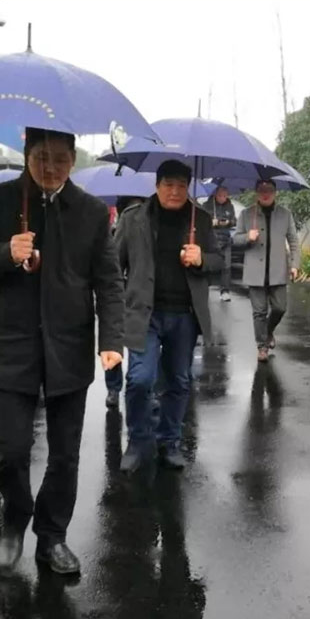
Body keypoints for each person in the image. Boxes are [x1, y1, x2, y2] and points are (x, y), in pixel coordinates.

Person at [0, 127, 124, 575]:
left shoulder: (91, 212)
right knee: (10, 448)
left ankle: (52, 537)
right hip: (10, 345)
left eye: (60, 158)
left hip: (69, 345)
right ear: (26, 154)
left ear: (73, 158)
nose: (50, 167)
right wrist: (5, 253)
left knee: (65, 454)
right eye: (41, 157)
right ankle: (15, 517)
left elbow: (108, 281)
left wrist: (111, 339)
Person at [116, 160, 222, 473]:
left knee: (178, 380)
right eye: (168, 185)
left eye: (181, 186)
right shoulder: (133, 218)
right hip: (144, 314)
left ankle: (169, 441)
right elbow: (113, 265)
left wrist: (202, 259)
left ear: (188, 187)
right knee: (140, 380)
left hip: (184, 316)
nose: (175, 191)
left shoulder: (201, 220)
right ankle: (137, 441)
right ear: (157, 185)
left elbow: (219, 262)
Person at [233, 179, 299, 362]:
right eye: (262, 190)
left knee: (280, 308)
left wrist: (295, 264)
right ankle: (261, 346)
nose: (265, 193)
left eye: (269, 190)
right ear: (257, 193)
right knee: (259, 312)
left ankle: (268, 331)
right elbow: (235, 240)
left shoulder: (285, 214)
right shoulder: (247, 214)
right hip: (255, 271)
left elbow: (293, 240)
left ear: (275, 192)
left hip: (278, 270)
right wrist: (247, 237)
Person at [105, 195, 146, 410]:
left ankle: (134, 384)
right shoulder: (123, 225)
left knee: (139, 345)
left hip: (142, 296)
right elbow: (115, 264)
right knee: (114, 341)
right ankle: (113, 387)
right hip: (122, 294)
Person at [202, 184, 236, 302]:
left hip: (226, 240)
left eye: (225, 196)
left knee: (226, 266)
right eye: (220, 195)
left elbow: (234, 221)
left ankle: (225, 291)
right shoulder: (207, 205)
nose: (223, 198)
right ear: (215, 194)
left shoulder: (230, 206)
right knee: (208, 264)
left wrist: (228, 222)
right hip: (212, 239)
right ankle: (204, 287)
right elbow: (201, 221)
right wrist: (211, 222)